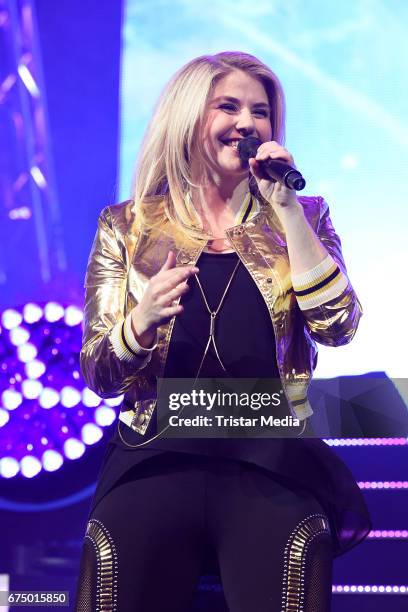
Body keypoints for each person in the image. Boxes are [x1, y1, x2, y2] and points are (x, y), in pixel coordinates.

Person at [74, 51, 371, 611]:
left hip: (269, 455)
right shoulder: (127, 226)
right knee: (113, 562)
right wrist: (139, 324)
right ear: (188, 119)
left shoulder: (304, 215)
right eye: (228, 106)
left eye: (260, 112)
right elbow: (98, 372)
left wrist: (287, 211)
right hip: (157, 452)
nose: (247, 123)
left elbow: (338, 326)